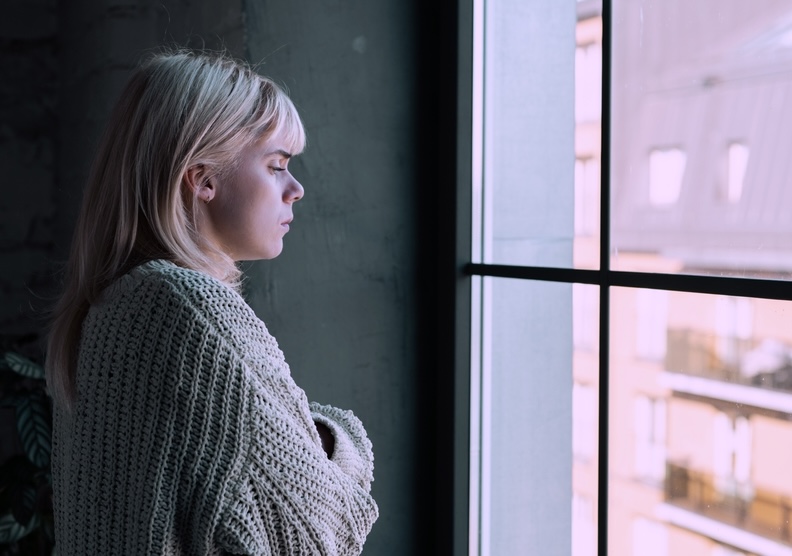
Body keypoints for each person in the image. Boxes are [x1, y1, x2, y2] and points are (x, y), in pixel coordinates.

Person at [44, 49, 379, 555]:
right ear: (202, 178)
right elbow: (319, 533)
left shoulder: (115, 303)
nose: (296, 189)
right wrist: (339, 439)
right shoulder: (188, 308)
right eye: (277, 165)